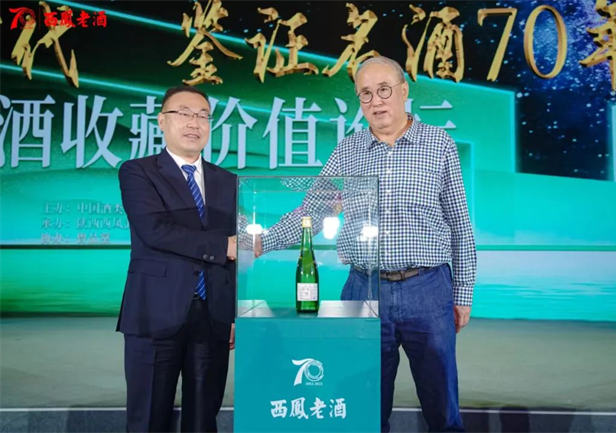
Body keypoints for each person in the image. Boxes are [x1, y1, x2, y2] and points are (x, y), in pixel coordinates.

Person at [256, 57, 476, 433]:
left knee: (442, 408)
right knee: (363, 410)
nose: (377, 101)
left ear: (404, 91)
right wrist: (261, 240)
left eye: (384, 90)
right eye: (366, 94)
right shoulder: (348, 150)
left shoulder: (439, 144)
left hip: (427, 289)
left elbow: (460, 224)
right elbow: (312, 210)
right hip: (363, 288)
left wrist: (463, 293)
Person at [117, 85, 237, 433]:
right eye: (183, 113)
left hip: (212, 317)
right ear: (162, 121)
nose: (193, 123)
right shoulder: (138, 172)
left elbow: (234, 257)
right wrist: (223, 246)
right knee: (148, 420)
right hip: (154, 313)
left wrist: (232, 313)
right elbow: (155, 231)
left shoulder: (228, 180)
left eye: (202, 116)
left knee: (203, 420)